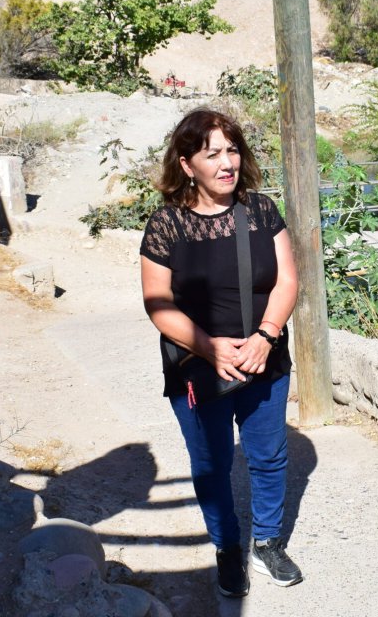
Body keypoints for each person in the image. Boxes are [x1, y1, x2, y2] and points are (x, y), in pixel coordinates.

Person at [139, 109, 303, 598]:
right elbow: (157, 304)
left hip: (262, 357)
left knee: (269, 457)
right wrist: (209, 347)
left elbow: (287, 279)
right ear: (188, 164)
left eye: (232, 150)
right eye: (213, 154)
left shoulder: (261, 211)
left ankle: (268, 540)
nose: (227, 163)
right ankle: (227, 547)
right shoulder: (167, 225)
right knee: (210, 463)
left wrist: (266, 336)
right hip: (197, 365)